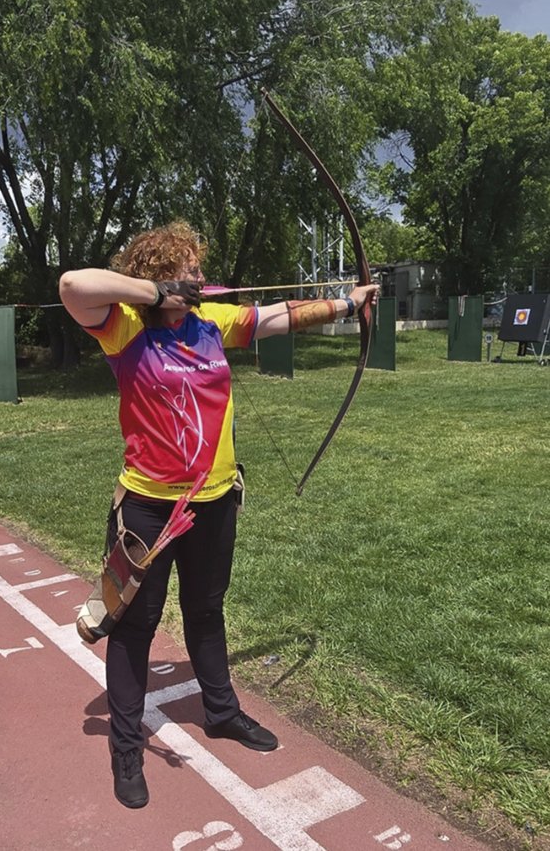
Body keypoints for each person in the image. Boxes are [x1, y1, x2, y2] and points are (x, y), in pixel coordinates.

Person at [59, 221, 379, 809]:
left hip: (214, 502)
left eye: (199, 270)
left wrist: (346, 302)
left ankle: (222, 712)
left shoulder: (212, 324)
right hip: (150, 508)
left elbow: (277, 316)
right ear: (157, 277)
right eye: (187, 270)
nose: (200, 279)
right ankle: (126, 749)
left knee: (206, 609)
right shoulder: (123, 329)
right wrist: (153, 295)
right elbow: (73, 284)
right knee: (134, 628)